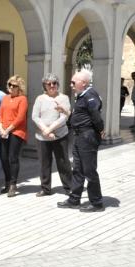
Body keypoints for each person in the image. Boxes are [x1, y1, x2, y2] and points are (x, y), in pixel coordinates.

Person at [56, 69, 106, 212]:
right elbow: (81, 117)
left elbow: (96, 117)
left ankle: (97, 203)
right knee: (77, 169)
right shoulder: (82, 96)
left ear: (83, 83)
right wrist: (64, 111)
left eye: (73, 82)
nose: (71, 85)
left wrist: (100, 130)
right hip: (80, 136)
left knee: (89, 170)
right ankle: (74, 199)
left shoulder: (90, 96)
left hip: (87, 137)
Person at [32, 73, 72, 197]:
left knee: (63, 161)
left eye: (54, 83)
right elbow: (35, 116)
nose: (51, 86)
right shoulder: (39, 99)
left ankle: (69, 187)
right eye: (48, 83)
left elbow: (64, 116)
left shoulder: (64, 98)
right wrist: (45, 130)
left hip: (60, 135)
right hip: (42, 136)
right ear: (44, 85)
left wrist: (50, 129)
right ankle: (45, 188)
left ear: (57, 84)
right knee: (44, 162)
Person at [0, 75, 28, 197]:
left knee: (13, 157)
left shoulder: (22, 99)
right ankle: (7, 181)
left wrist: (8, 130)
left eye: (14, 85)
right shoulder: (5, 98)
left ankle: (13, 185)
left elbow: (20, 118)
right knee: (3, 157)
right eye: (10, 84)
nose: (11, 87)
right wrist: (1, 128)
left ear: (19, 87)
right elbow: (0, 114)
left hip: (16, 132)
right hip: (4, 131)